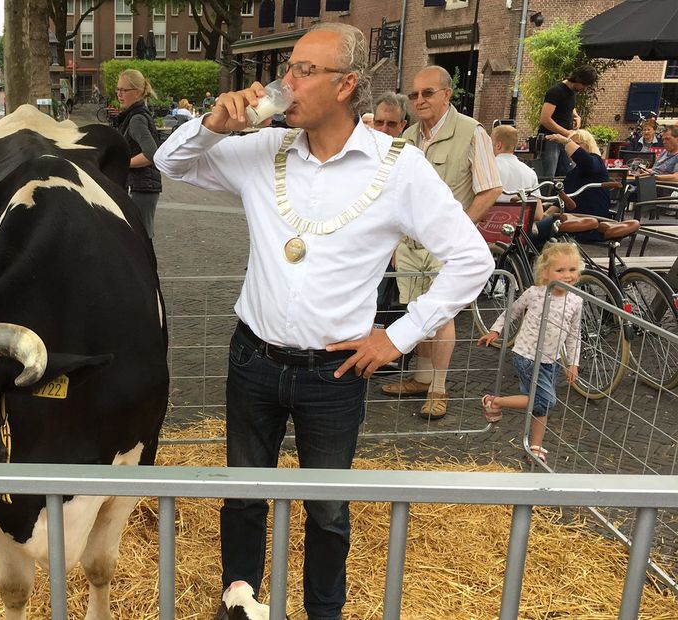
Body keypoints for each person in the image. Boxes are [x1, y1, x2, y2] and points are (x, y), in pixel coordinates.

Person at [154, 24, 492, 620]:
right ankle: (240, 599)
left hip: (334, 372)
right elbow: (169, 162)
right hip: (252, 358)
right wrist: (212, 126)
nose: (288, 82)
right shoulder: (264, 150)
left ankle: (322, 611)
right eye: (289, 68)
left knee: (329, 507)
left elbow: (472, 260)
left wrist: (398, 336)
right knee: (244, 495)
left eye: (305, 71)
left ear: (347, 85)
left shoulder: (400, 168)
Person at [384, 66, 502, 420]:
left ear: (447, 95)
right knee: (417, 308)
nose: (419, 100)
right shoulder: (406, 136)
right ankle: (421, 378)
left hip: (445, 247)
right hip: (410, 245)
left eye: (428, 93)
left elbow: (491, 188)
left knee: (441, 314)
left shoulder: (471, 132)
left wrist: (458, 232)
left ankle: (438, 388)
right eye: (414, 94)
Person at [478, 242, 582, 464]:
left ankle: (534, 447)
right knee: (546, 401)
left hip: (551, 361)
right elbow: (512, 311)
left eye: (572, 270)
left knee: (539, 405)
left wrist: (573, 362)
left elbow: (575, 334)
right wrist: (496, 329)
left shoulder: (576, 300)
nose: (568, 275)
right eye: (560, 270)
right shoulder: (535, 293)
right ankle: (495, 402)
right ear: (546, 272)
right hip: (526, 356)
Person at [115, 68, 162, 239]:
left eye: (123, 90)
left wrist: (121, 162)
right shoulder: (133, 116)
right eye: (117, 89)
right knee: (137, 238)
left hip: (141, 188)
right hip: (140, 186)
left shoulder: (136, 119)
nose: (119, 94)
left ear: (137, 92)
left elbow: (151, 154)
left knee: (140, 238)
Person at [537, 65, 598, 178]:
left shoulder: (572, 92)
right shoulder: (556, 91)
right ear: (578, 79)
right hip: (551, 140)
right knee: (548, 177)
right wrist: (568, 133)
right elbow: (545, 119)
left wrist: (576, 116)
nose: (584, 88)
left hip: (564, 141)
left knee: (567, 175)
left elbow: (569, 106)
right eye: (584, 85)